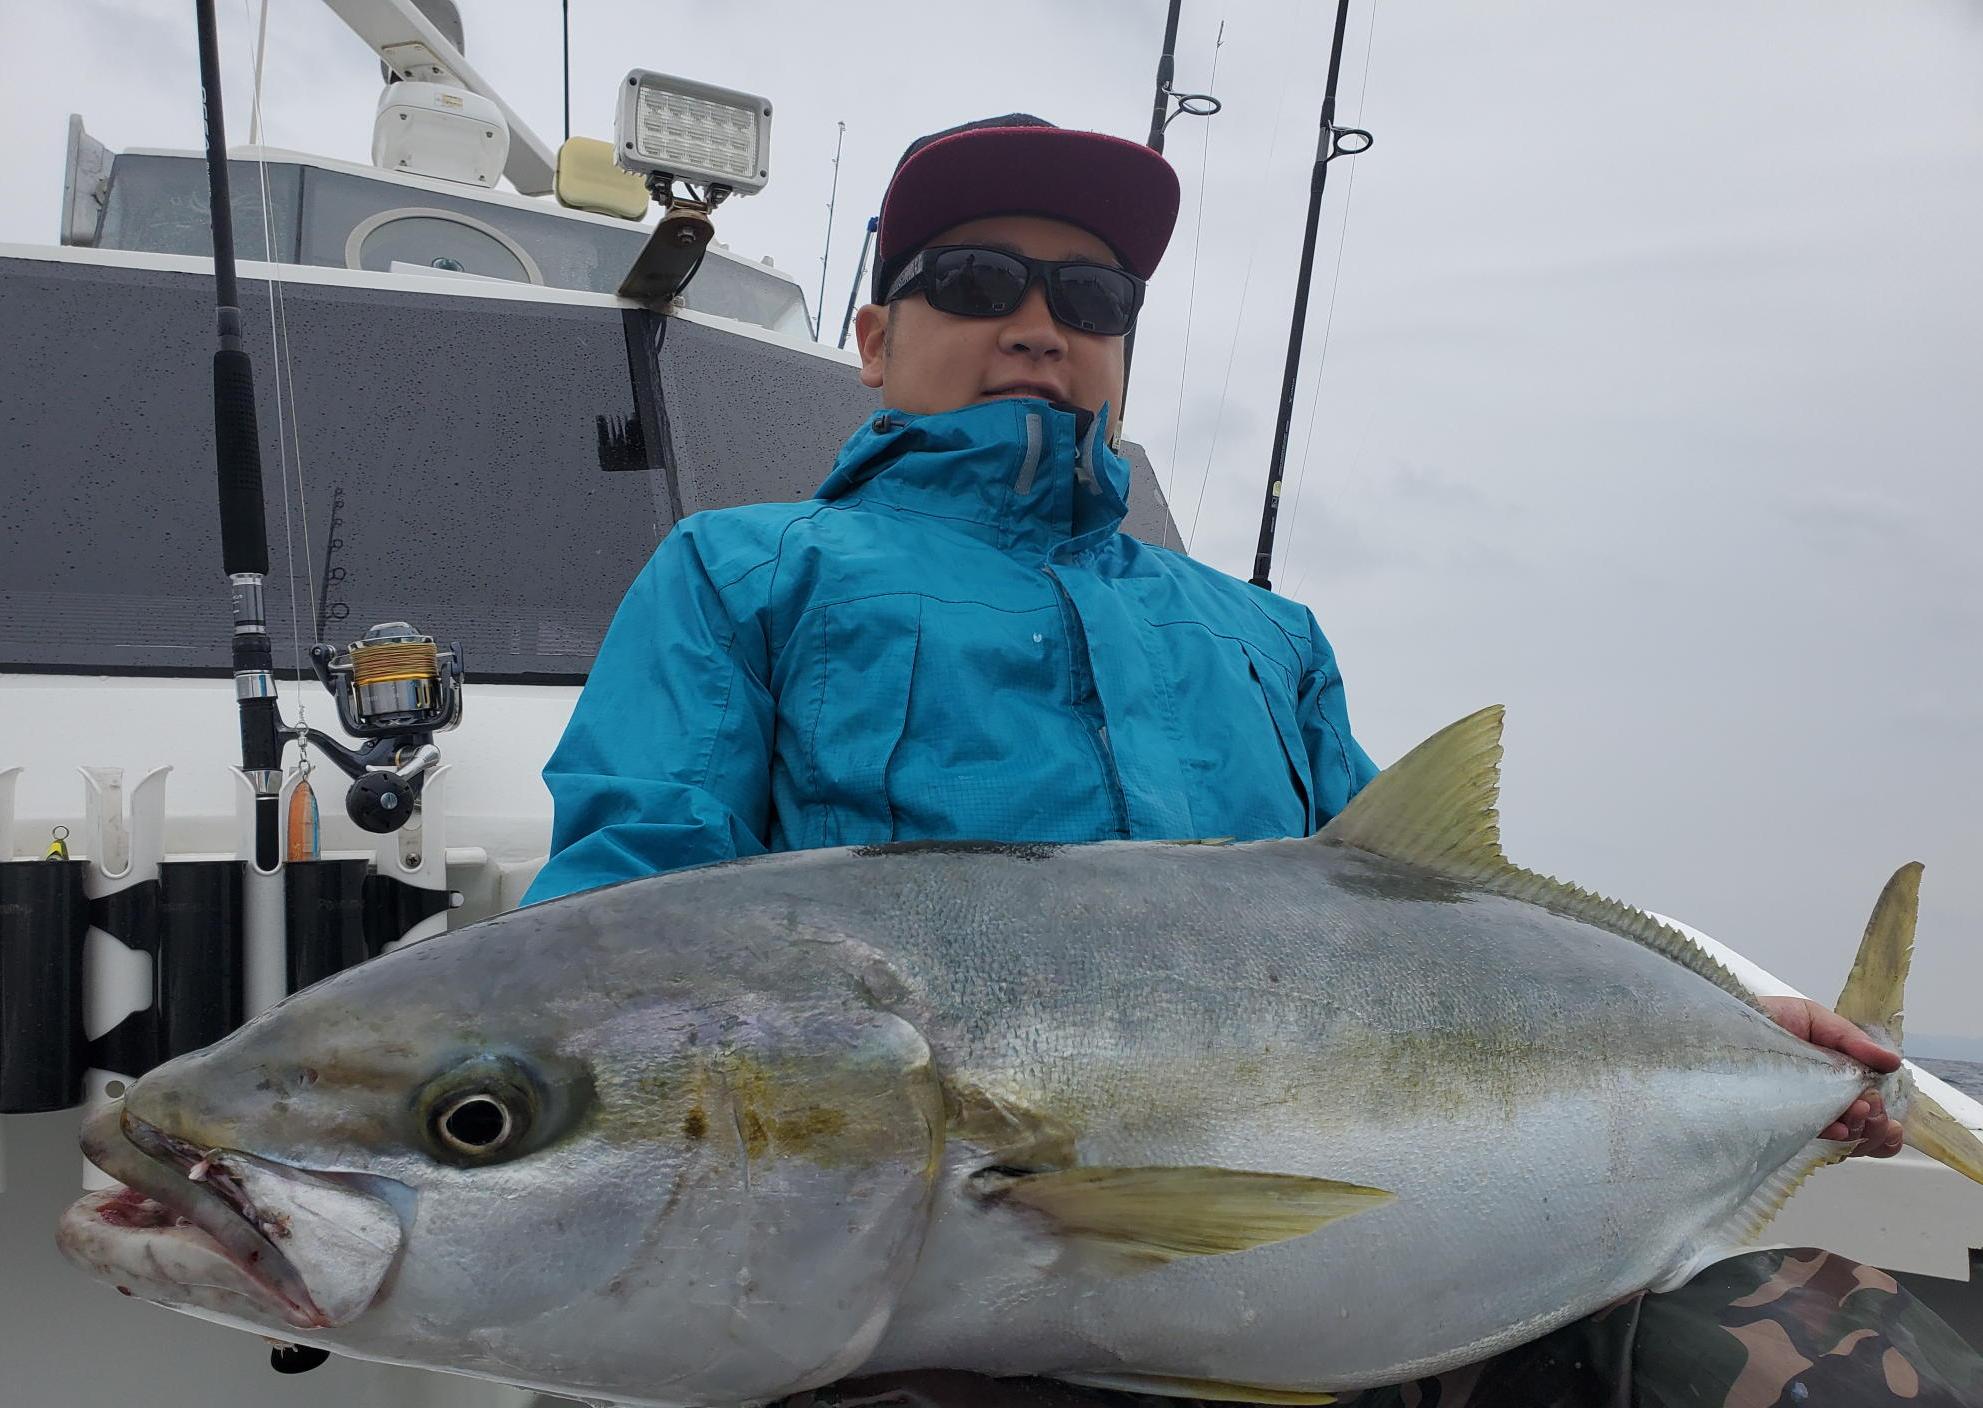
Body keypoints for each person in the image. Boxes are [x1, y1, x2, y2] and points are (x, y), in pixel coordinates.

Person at [526, 116, 1969, 1407]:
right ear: (875, 338)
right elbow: (619, 946)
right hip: (953, 1303)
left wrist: (1744, 1026)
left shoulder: (1264, 634)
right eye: (974, 281)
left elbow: (1430, 907)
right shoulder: (744, 572)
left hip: (1365, 1266)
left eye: (1090, 297)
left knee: (1843, 1362)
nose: (1038, 322)